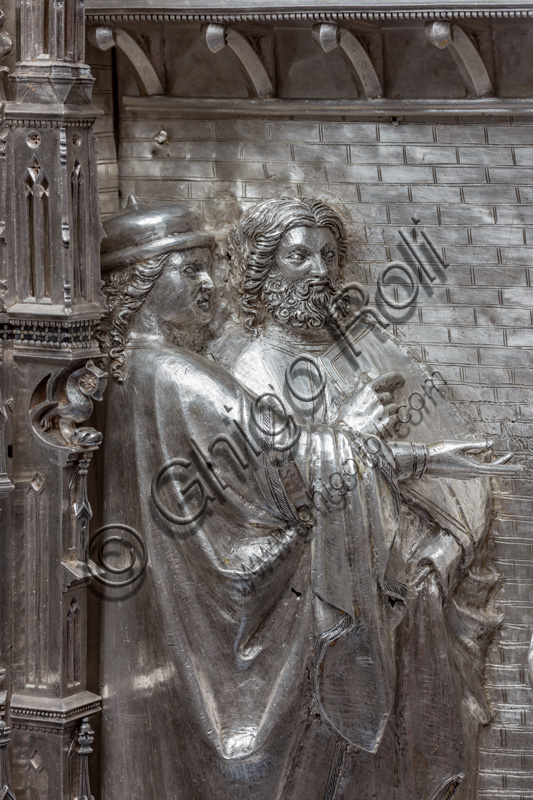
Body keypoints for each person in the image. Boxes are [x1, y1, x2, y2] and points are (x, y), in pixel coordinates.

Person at [97, 198, 518, 800]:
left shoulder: (136, 369)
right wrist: (352, 434)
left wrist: (423, 460)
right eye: (189, 269)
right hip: (259, 620)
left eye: (328, 256)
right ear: (144, 278)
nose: (207, 283)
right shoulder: (186, 375)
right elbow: (288, 469)